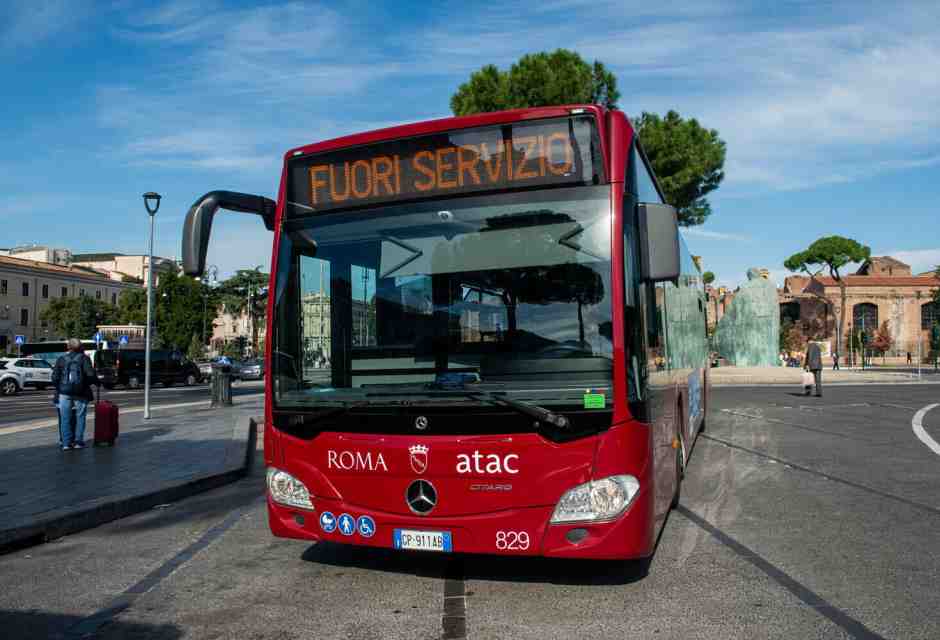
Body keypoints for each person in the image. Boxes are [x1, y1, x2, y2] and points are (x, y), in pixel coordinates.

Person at [52, 338, 101, 451]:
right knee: (80, 417)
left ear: (68, 347)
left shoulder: (61, 359)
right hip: (81, 392)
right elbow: (91, 375)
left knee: (65, 418)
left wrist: (60, 387)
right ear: (80, 347)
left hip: (64, 393)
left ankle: (66, 443)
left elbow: (54, 378)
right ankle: (78, 442)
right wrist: (89, 384)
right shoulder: (84, 358)